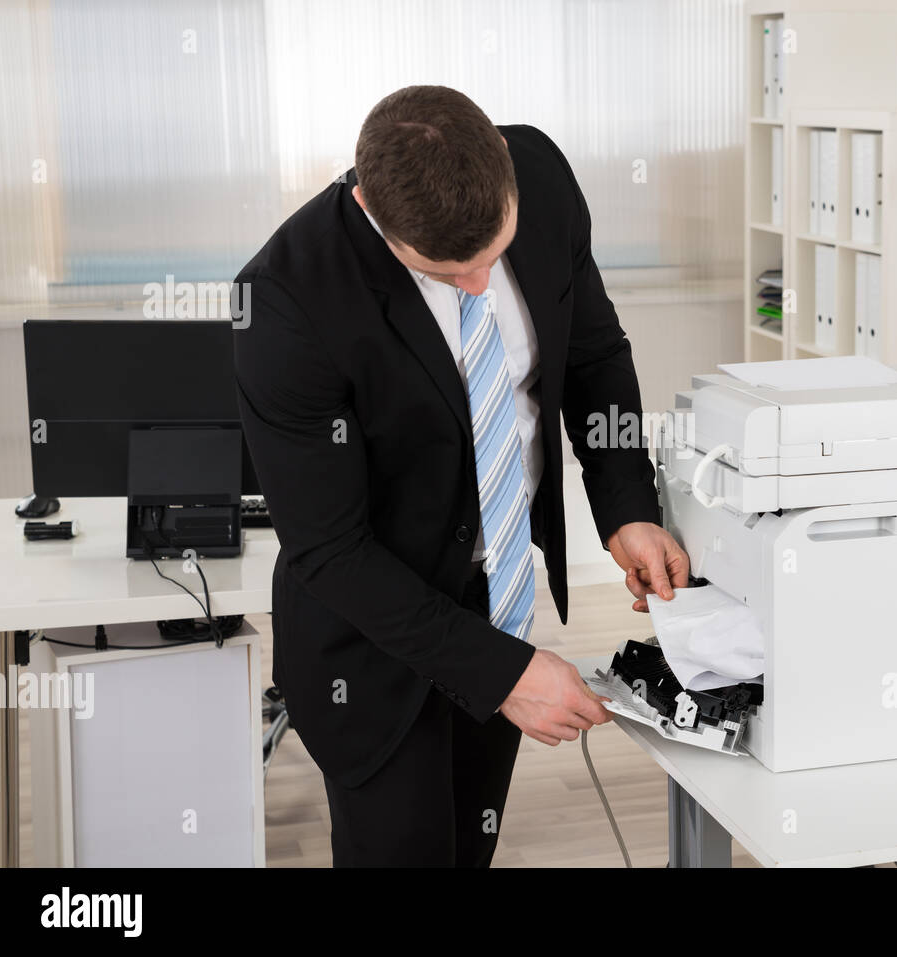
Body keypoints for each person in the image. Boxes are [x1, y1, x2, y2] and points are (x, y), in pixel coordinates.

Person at [233, 85, 689, 866]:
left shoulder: (539, 171)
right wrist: (504, 673)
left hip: (499, 595)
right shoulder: (284, 301)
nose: (481, 286)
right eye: (452, 274)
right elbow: (332, 550)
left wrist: (625, 505)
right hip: (373, 643)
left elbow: (594, 353)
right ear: (374, 211)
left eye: (494, 255)